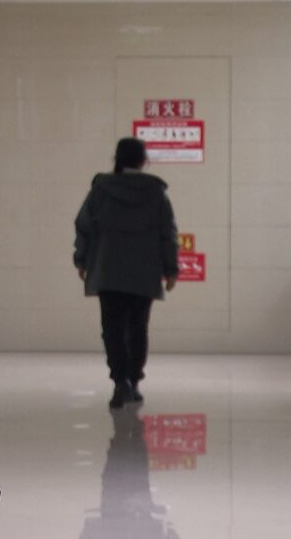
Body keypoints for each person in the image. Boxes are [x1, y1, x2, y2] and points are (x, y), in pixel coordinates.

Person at [73, 137, 178, 410]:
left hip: (108, 270)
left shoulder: (101, 190)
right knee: (138, 327)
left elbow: (84, 226)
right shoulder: (156, 193)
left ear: (117, 159)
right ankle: (134, 380)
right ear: (144, 161)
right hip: (145, 272)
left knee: (113, 329)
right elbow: (168, 233)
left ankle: (121, 381)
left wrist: (81, 259)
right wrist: (171, 269)